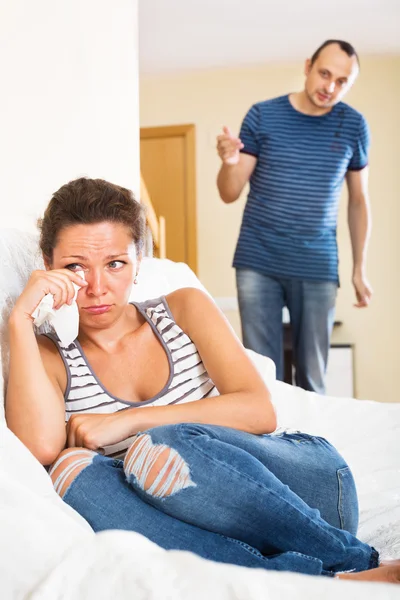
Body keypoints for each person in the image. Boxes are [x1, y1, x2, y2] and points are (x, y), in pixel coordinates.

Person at [5, 178, 399, 584]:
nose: (97, 287)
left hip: (304, 494)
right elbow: (40, 449)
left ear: (139, 260)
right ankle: (307, 578)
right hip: (204, 526)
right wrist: (20, 320)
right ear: (47, 264)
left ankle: (357, 561)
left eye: (115, 263)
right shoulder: (51, 355)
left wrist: (128, 422)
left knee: (159, 445)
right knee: (69, 472)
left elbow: (259, 410)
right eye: (75, 267)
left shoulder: (183, 308)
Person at [216, 40, 373, 394]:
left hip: (317, 264)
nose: (330, 87)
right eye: (325, 74)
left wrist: (359, 268)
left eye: (342, 81)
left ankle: (307, 449)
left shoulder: (354, 126)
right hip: (258, 260)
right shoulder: (262, 115)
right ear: (308, 66)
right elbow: (229, 192)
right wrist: (228, 163)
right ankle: (267, 450)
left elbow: (359, 201)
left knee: (313, 379)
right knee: (262, 379)